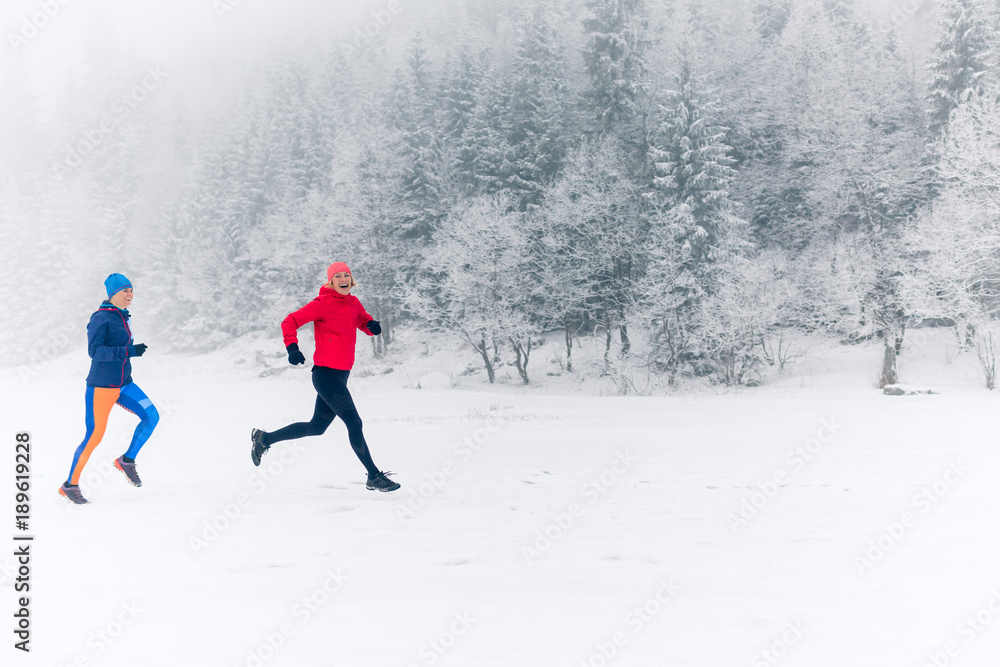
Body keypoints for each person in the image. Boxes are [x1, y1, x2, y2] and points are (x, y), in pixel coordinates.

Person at [251, 262, 400, 492]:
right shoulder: (323, 303)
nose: (343, 279)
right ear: (331, 281)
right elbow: (289, 321)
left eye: (347, 275)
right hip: (325, 376)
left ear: (351, 280)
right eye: (338, 276)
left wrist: (371, 326)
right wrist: (292, 348)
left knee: (317, 427)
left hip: (341, 375)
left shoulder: (353, 302)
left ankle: (264, 439)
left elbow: (362, 320)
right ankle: (374, 475)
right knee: (354, 422)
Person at [60, 273, 158, 504]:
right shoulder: (101, 318)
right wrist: (128, 351)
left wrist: (129, 353)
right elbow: (95, 352)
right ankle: (70, 485)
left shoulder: (123, 317)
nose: (130, 295)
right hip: (101, 388)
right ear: (112, 294)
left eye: (132, 290)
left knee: (151, 416)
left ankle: (126, 460)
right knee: (94, 437)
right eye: (125, 291)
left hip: (125, 384)